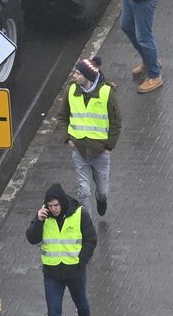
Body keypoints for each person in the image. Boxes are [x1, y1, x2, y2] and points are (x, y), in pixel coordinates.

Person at [58, 57, 120, 219]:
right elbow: (62, 117)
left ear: (88, 76)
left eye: (77, 73)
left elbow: (116, 121)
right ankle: (87, 225)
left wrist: (109, 145)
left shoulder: (106, 93)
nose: (74, 75)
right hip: (79, 151)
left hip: (100, 152)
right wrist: (68, 139)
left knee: (102, 190)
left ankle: (101, 199)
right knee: (83, 191)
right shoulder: (71, 91)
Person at [26, 183, 97, 316]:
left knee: (82, 307)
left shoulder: (79, 214)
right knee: (53, 312)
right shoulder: (43, 217)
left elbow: (91, 239)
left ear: (62, 203)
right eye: (50, 206)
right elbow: (32, 239)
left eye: (56, 205)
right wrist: (38, 220)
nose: (53, 209)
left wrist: (81, 262)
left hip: (75, 272)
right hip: (52, 274)